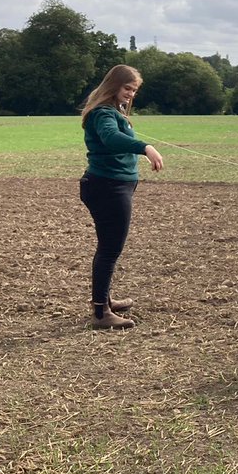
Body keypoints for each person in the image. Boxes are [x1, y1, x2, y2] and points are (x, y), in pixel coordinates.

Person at [79, 64, 164, 330]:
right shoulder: (103, 112)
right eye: (127, 88)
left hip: (112, 186)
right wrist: (145, 147)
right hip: (107, 188)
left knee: (108, 248)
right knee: (109, 249)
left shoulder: (113, 110)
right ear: (113, 85)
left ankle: (103, 301)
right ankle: (101, 314)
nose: (131, 94)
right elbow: (111, 138)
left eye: (134, 90)